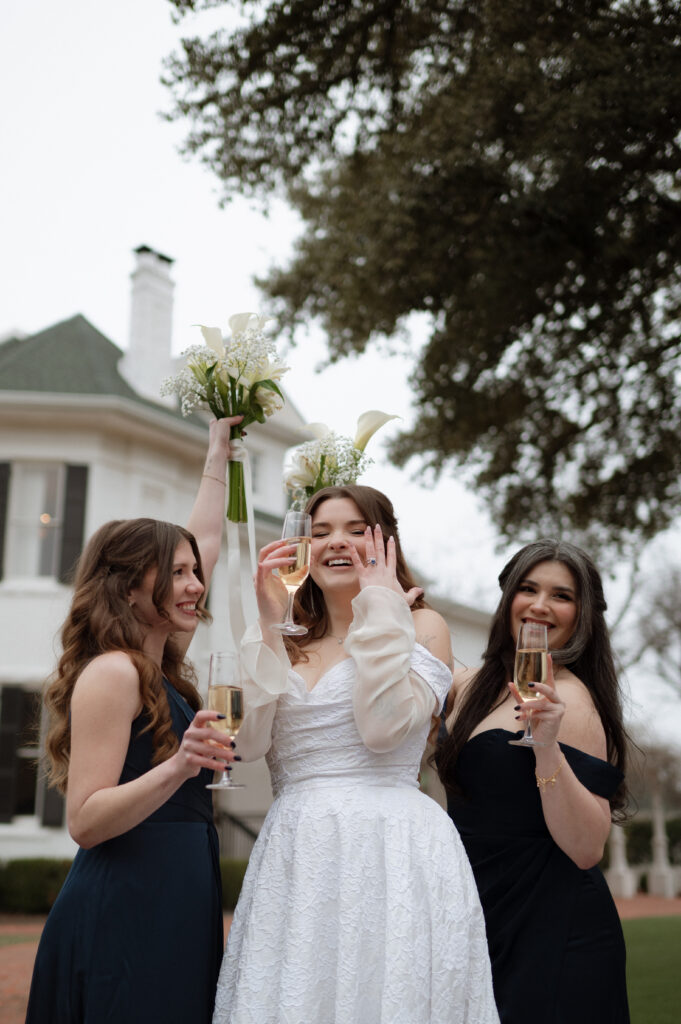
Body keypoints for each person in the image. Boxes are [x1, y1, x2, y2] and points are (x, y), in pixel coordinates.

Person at [212, 485, 500, 1024]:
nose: (334, 543)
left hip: (394, 845)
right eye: (319, 533)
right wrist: (270, 625)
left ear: (385, 543)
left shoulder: (421, 627)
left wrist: (382, 610)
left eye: (353, 529)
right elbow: (247, 745)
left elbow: (382, 729)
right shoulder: (281, 633)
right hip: (299, 848)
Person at [25, 416, 243, 1024]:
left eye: (194, 571)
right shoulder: (114, 672)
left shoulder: (162, 667)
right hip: (126, 906)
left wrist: (217, 454)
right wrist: (180, 765)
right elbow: (86, 821)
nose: (195, 584)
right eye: (176, 573)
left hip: (179, 894)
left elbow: (204, 540)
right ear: (126, 588)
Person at [437, 539, 630, 1024]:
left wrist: (546, 746)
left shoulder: (573, 702)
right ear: (508, 599)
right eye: (528, 588)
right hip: (480, 913)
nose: (540, 605)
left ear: (582, 613)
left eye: (561, 595)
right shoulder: (470, 686)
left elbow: (587, 848)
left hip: (554, 924)